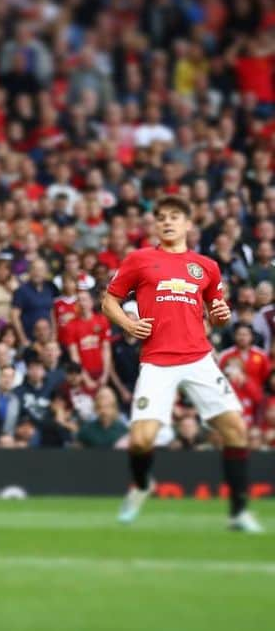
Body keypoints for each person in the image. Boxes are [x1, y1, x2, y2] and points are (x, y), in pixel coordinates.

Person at [102, 195, 262, 532]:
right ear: (155, 225)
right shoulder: (139, 259)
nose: (167, 222)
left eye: (175, 216)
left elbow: (217, 313)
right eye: (161, 217)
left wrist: (221, 316)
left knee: (235, 430)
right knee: (141, 440)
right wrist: (129, 325)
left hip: (199, 358)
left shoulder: (206, 266)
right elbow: (109, 301)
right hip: (157, 361)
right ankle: (143, 485)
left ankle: (238, 512)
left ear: (188, 224)